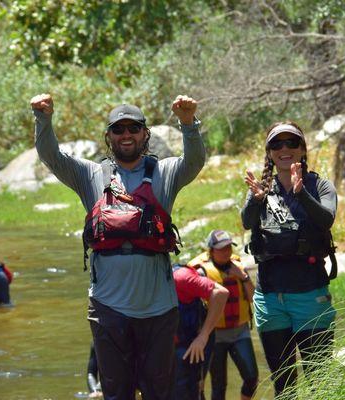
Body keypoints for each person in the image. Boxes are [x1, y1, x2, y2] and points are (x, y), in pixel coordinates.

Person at [31, 93, 205, 399]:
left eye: (133, 128)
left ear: (145, 134)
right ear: (109, 136)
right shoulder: (91, 175)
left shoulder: (165, 172)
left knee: (158, 393)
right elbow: (52, 158)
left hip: (159, 309)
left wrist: (188, 123)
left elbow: (194, 161)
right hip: (108, 307)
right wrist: (43, 119)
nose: (126, 135)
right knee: (116, 393)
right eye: (118, 129)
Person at [241, 122, 337, 398]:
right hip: (270, 299)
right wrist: (255, 200)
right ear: (270, 152)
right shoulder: (261, 189)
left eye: (291, 143)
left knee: (320, 382)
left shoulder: (319, 185)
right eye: (277, 144)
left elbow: (327, 219)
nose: (284, 149)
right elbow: (247, 222)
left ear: (303, 149)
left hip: (311, 295)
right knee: (284, 385)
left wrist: (300, 193)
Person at [187, 230, 258, 400]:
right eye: (221, 248)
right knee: (219, 385)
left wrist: (243, 277)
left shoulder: (239, 267)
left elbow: (252, 298)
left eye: (228, 247)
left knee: (252, 378)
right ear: (210, 250)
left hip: (240, 331)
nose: (226, 251)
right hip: (214, 336)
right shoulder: (201, 271)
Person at [172, 262, 228, 400]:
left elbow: (220, 293)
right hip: (170, 343)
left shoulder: (181, 277)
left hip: (194, 341)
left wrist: (203, 336)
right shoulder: (142, 281)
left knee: (191, 388)